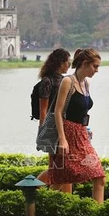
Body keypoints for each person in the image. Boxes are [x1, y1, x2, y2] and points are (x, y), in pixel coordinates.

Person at [48, 48, 106, 204]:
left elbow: (81, 110)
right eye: (95, 66)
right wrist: (62, 139)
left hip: (81, 134)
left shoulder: (86, 83)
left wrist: (85, 128)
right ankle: (41, 211)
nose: (97, 70)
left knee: (98, 176)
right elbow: (58, 112)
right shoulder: (68, 81)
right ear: (85, 64)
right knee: (60, 179)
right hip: (67, 133)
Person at [35, 48, 72, 192]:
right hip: (52, 128)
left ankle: (67, 201)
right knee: (55, 167)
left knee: (65, 166)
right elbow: (43, 109)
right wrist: (43, 131)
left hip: (66, 127)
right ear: (60, 63)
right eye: (67, 62)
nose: (68, 65)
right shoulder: (47, 81)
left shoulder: (65, 80)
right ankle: (32, 188)